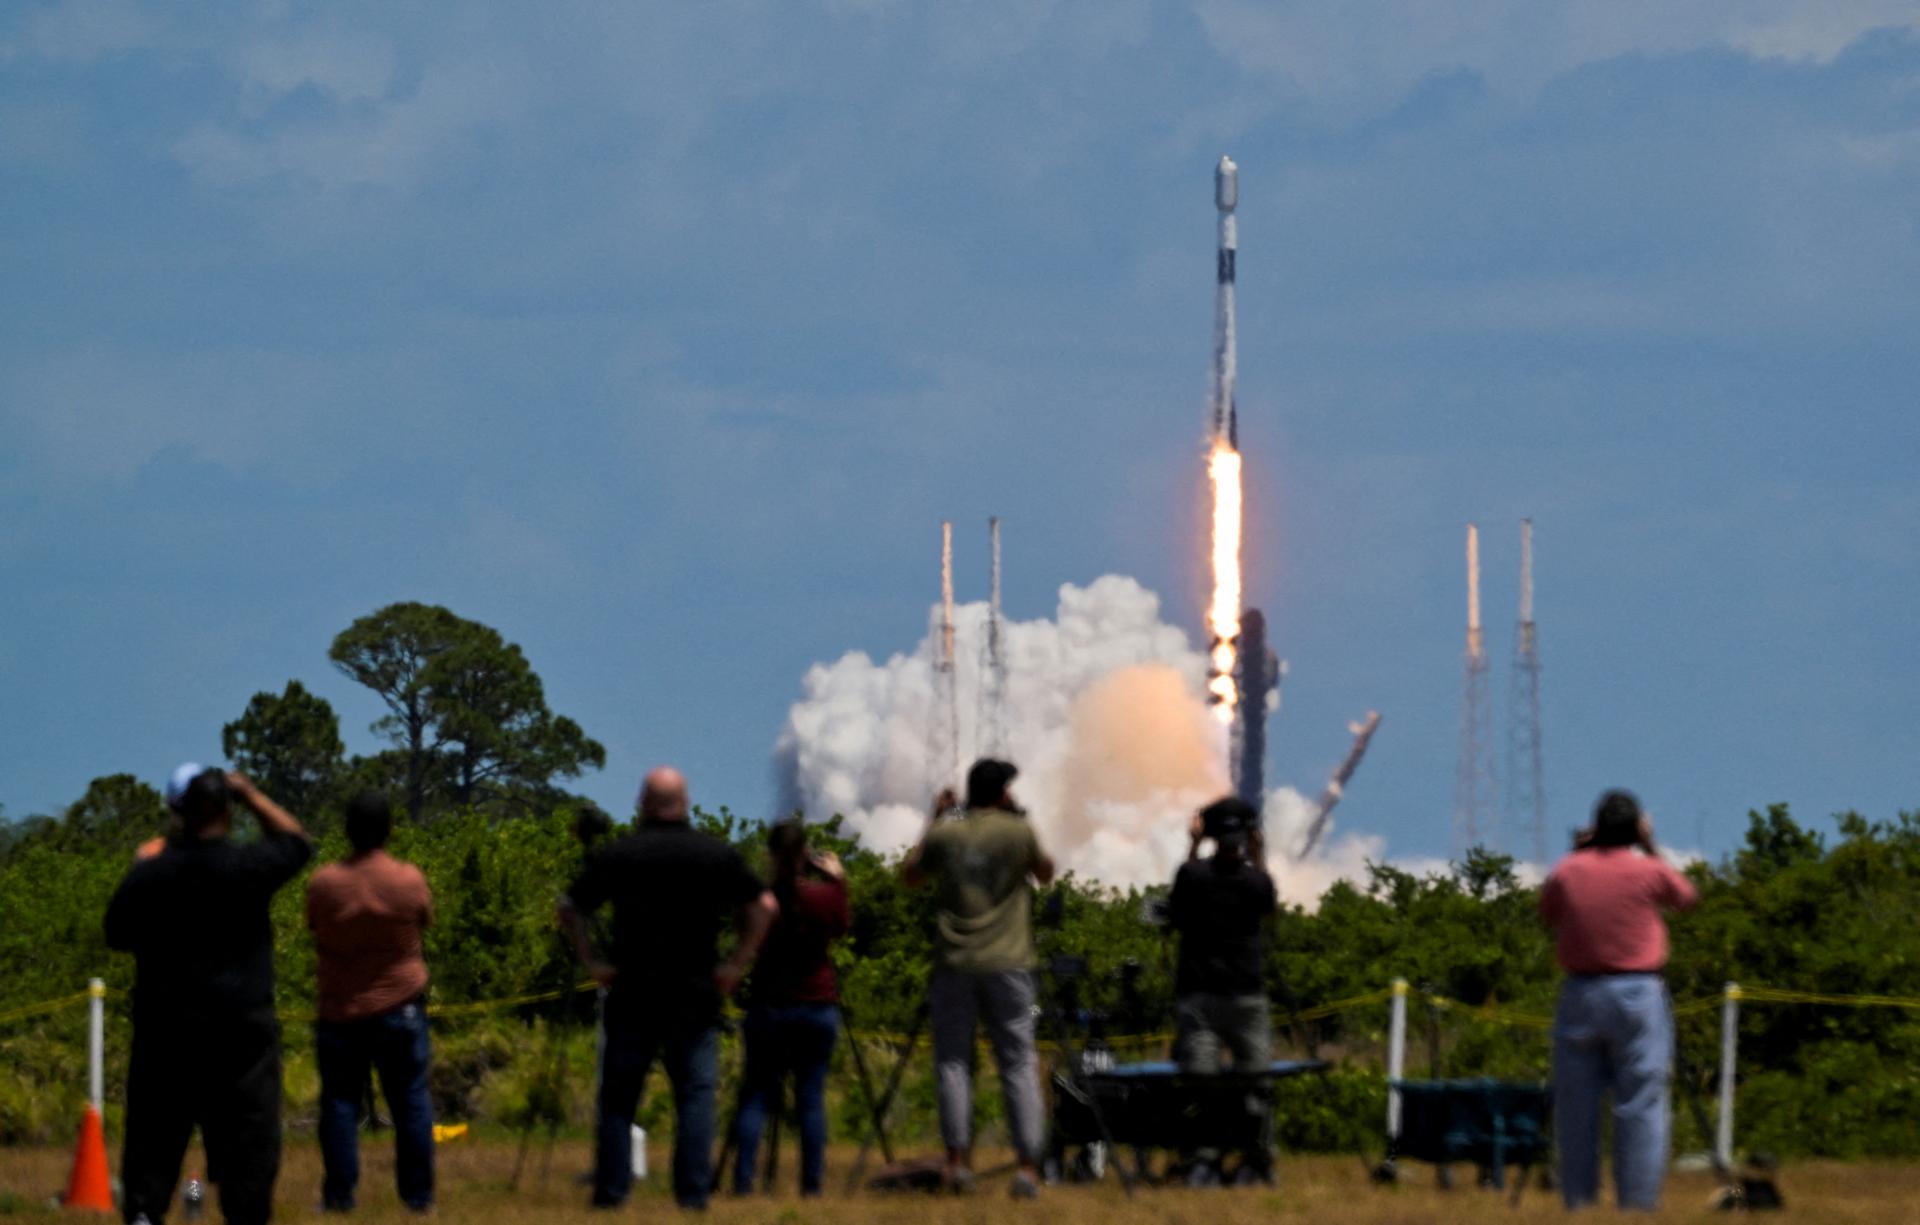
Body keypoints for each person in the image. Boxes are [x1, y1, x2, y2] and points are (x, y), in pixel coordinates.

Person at [558, 766, 778, 1210]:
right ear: (686, 802)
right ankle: (692, 1195)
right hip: (694, 994)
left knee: (620, 1099)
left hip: (633, 992)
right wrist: (735, 964)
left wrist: (592, 961)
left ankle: (612, 1192)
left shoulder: (621, 855)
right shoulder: (713, 854)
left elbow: (570, 908)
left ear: (643, 803)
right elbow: (765, 906)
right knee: (695, 1098)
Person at [105, 767, 313, 1225]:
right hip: (241, 1039)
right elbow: (298, 842)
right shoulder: (246, 866)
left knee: (153, 1147)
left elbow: (115, 931)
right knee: (248, 1150)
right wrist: (253, 794)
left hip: (167, 1035)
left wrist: (145, 868)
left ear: (179, 813)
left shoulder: (155, 874)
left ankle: (144, 1212)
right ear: (227, 810)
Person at [902, 758, 1055, 1199]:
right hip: (1009, 964)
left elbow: (912, 875)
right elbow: (1045, 873)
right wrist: (1019, 824)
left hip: (954, 962)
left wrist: (935, 818)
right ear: (1002, 791)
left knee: (952, 1062)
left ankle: (956, 1162)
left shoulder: (946, 833)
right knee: (1018, 1063)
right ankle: (1027, 1167)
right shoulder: (1018, 832)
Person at [1540, 789, 1699, 1211]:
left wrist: (1578, 853)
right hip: (1638, 992)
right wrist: (1649, 847)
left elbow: (1548, 910)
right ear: (1634, 829)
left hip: (1580, 992)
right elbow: (1685, 898)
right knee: (1641, 1104)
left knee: (1576, 1106)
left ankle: (1579, 1202)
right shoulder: (1648, 870)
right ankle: (1638, 1204)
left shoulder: (1568, 870)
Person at [306, 793, 436, 1213]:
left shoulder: (324, 883)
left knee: (340, 1104)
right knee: (411, 1102)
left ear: (347, 831)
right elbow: (425, 920)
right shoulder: (409, 879)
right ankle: (418, 1199)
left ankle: (340, 1197)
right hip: (401, 1006)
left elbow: (314, 927)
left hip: (341, 1011)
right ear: (389, 830)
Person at [729, 820, 850, 1197]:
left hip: (771, 1006)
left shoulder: (760, 900)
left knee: (756, 1096)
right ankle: (810, 1186)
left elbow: (741, 931)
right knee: (810, 1100)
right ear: (804, 854)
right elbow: (842, 925)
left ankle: (743, 1182)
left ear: (770, 854)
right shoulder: (824, 897)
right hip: (816, 1005)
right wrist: (838, 880)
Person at [1166, 796, 1280, 1185]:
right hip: (1247, 996)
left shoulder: (1193, 875)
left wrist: (1193, 844)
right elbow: (1268, 903)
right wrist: (1259, 852)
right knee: (1256, 1082)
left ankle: (1205, 1158)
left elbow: (1175, 910)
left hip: (1200, 997)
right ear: (1249, 837)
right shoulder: (1255, 880)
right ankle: (1256, 1157)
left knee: (1202, 1083)